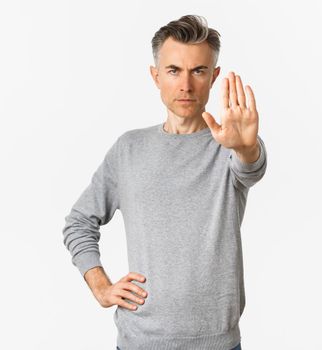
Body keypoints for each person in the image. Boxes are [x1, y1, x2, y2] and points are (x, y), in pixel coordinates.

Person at [62, 14, 267, 350]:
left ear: (214, 77)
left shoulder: (229, 146)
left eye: (198, 71)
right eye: (174, 71)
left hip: (218, 344)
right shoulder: (129, 149)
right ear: (156, 76)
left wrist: (246, 147)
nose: (185, 85)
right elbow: (79, 222)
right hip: (140, 341)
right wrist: (101, 285)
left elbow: (251, 168)